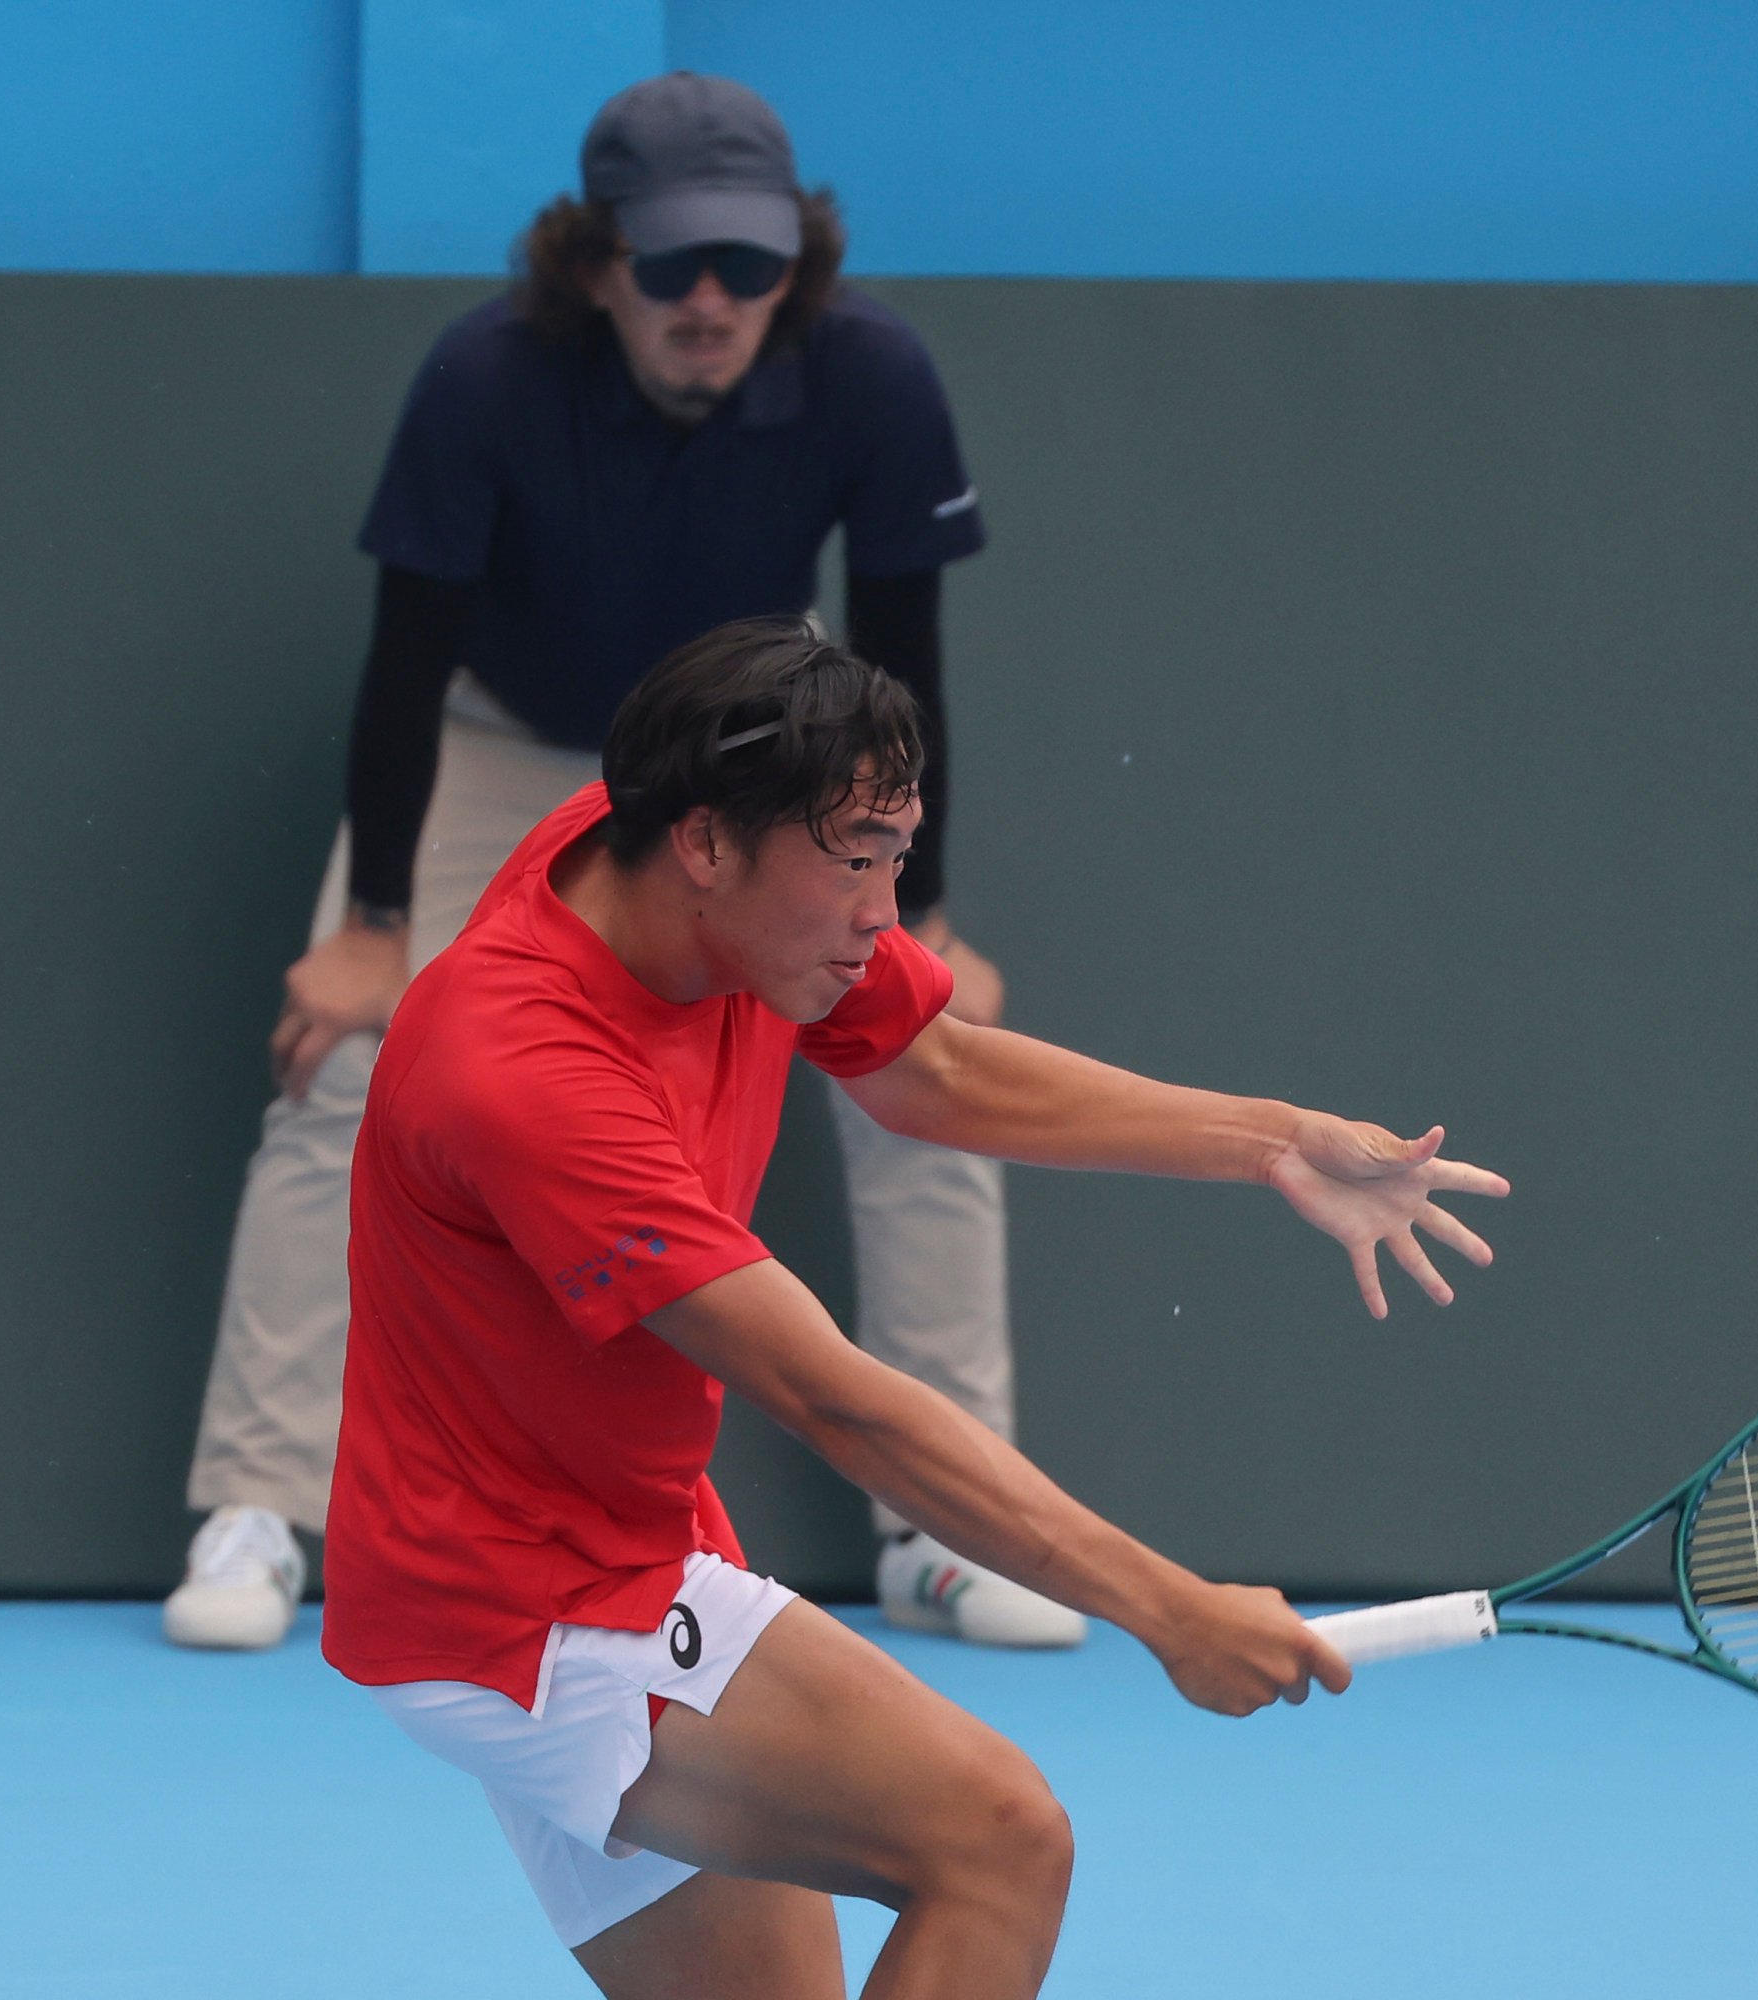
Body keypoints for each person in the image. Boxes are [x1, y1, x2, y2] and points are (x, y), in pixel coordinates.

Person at [0, 623, 1507, 2000]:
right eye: (854, 864)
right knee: (995, 1839)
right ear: (702, 845)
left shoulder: (696, 895)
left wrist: (1261, 1138)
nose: (886, 911)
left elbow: (940, 1062)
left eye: (897, 854)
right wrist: (1162, 1609)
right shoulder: (526, 1067)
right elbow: (837, 1398)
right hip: (535, 1616)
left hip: (575, 1560)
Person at [167, 70, 1084, 1657]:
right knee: (342, 1063)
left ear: (796, 263)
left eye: (748, 265)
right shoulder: (485, 376)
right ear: (597, 264)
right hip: (509, 737)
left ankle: (943, 1532)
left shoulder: (870, 373)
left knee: (928, 1067)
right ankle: (260, 1501)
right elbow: (403, 658)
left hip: (757, 754)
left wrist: (918, 913)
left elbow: (902, 653)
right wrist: (377, 929)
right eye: (670, 267)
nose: (712, 301)